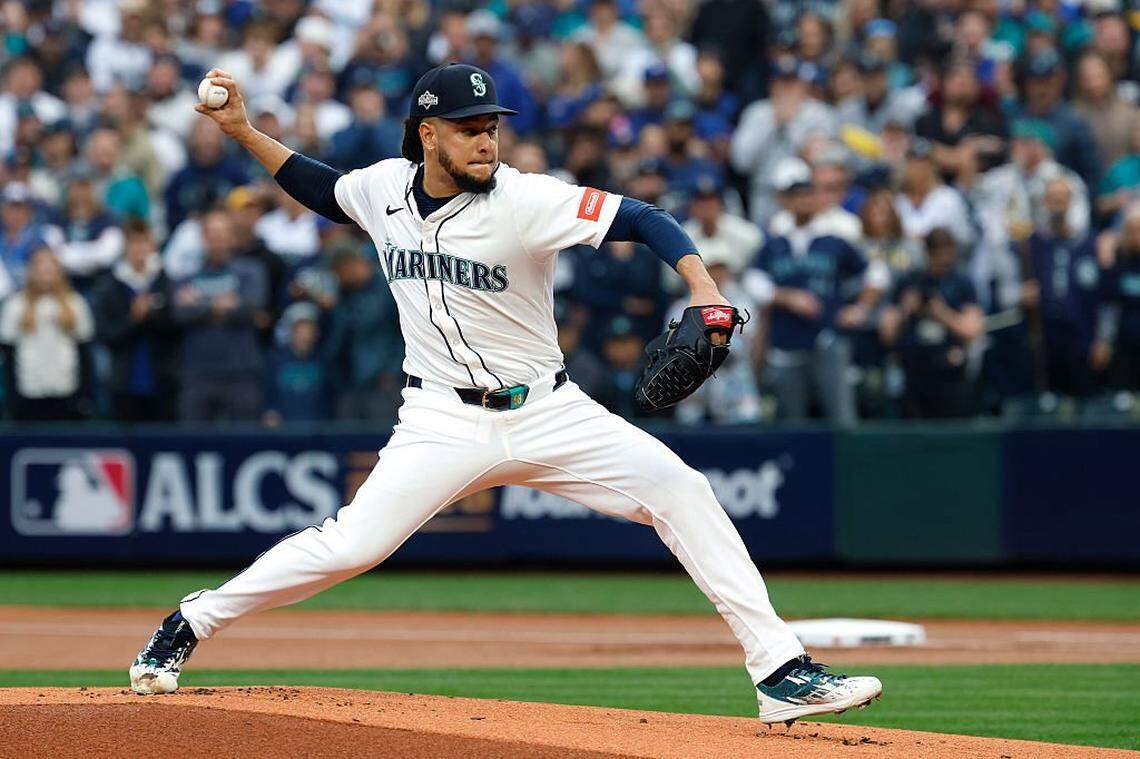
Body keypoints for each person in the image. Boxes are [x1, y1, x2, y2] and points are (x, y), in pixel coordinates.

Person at [129, 63, 882, 726]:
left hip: (551, 410)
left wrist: (704, 287)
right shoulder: (383, 190)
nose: (488, 140)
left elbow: (642, 217)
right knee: (352, 545)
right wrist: (243, 130)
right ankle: (192, 620)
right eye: (469, 129)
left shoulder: (525, 200)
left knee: (681, 490)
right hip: (440, 418)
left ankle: (781, 672)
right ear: (428, 135)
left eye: (492, 127)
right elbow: (321, 187)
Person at [745, 157, 887, 425]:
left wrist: (861, 307)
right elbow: (754, 280)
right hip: (786, 343)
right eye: (795, 195)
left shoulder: (833, 239)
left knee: (841, 416)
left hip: (827, 338)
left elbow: (876, 273)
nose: (803, 200)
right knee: (792, 421)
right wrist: (787, 297)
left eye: (807, 193)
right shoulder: (776, 242)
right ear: (784, 200)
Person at [880, 228, 984, 418]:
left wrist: (942, 313)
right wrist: (905, 309)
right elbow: (887, 334)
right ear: (928, 254)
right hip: (913, 368)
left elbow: (972, 330)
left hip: (950, 367)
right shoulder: (909, 281)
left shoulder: (961, 283)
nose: (944, 261)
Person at [92, 220, 179, 422]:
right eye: (134, 243)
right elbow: (106, 334)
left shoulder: (166, 281)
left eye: (144, 242)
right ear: (125, 247)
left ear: (152, 245)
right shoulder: (110, 286)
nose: (139, 249)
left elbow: (176, 328)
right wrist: (134, 319)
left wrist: (151, 314)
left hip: (162, 379)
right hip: (123, 381)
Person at [0, 247, 94, 421]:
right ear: (31, 271)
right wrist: (12, 397)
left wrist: (85, 394)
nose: (45, 273)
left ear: (59, 272)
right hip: (28, 390)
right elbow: (8, 355)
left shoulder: (75, 303)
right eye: (40, 267)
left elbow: (85, 352)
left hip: (66, 390)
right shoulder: (15, 305)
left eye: (50, 267)